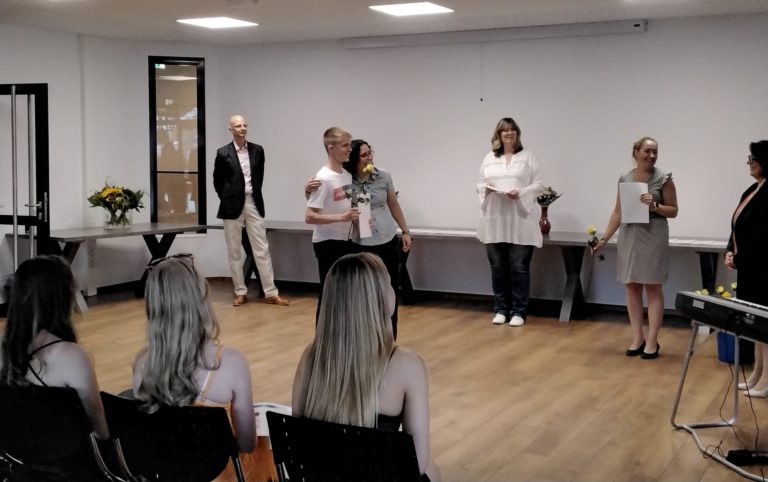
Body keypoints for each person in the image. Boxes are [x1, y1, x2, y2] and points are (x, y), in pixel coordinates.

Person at [291, 253, 440, 481]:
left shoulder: (311, 356)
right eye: (388, 284)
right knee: (432, 470)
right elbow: (417, 462)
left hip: (321, 475)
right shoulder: (407, 365)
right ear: (377, 300)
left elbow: (297, 438)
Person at [132, 255, 276, 482]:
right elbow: (247, 444)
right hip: (217, 474)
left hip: (167, 473)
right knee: (267, 453)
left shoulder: (141, 364)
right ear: (200, 299)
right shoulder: (231, 363)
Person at [0, 255, 110, 479]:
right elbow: (100, 433)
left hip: (17, 467)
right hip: (69, 471)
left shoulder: (3, 351)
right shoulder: (72, 356)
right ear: (62, 299)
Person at [592, 136, 678, 359]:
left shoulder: (664, 178)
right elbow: (618, 212)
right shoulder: (625, 178)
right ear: (636, 152)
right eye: (647, 151)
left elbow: (674, 210)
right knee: (631, 286)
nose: (652, 155)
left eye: (655, 151)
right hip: (630, 235)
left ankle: (652, 340)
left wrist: (655, 205)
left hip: (653, 235)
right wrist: (604, 239)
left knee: (653, 287)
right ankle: (638, 337)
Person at [213, 114, 288, 307]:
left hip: (253, 201)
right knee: (234, 251)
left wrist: (250, 195)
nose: (242, 128)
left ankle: (271, 292)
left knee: (261, 248)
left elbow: (259, 177)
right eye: (238, 126)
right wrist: (228, 196)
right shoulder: (222, 153)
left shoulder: (257, 150)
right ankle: (240, 291)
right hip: (231, 205)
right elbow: (217, 181)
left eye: (244, 125)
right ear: (230, 129)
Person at [338, 139, 411, 338]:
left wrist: (405, 231)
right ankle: (367, 336)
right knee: (364, 291)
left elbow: (393, 204)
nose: (369, 158)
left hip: (387, 238)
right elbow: (333, 203)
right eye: (364, 155)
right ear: (354, 159)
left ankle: (390, 336)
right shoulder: (346, 180)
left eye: (370, 153)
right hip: (361, 242)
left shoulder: (383, 175)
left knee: (390, 288)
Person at [476, 117, 544, 327]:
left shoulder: (527, 156)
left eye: (513, 130)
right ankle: (501, 309)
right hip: (495, 220)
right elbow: (479, 183)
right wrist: (486, 190)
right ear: (499, 134)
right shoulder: (489, 158)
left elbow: (539, 185)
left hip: (520, 220)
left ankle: (518, 312)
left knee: (519, 267)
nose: (509, 133)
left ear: (517, 134)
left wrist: (521, 192)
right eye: (505, 130)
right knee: (498, 267)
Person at [725, 141, 768, 396]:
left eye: (753, 158)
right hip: (749, 268)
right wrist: (729, 251)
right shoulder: (753, 189)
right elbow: (737, 226)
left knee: (766, 325)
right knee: (756, 324)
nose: (749, 162)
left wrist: (739, 259)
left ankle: (766, 381)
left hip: (763, 269)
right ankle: (757, 374)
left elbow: (762, 237)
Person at [305, 127, 359, 318]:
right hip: (327, 243)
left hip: (345, 241)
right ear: (331, 148)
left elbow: (348, 202)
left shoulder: (346, 175)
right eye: (345, 146)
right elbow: (310, 216)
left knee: (344, 295)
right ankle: (322, 335)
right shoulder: (322, 178)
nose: (349, 149)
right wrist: (342, 217)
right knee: (329, 295)